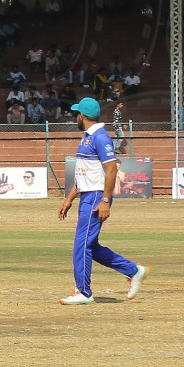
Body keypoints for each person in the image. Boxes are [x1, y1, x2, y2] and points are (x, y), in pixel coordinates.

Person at [55, 96, 149, 306]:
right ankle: (133, 271)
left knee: (82, 244)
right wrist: (69, 198)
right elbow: (83, 175)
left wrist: (105, 200)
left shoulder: (100, 137)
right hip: (87, 195)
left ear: (83, 116)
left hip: (97, 197)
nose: (75, 117)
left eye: (76, 114)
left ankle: (84, 292)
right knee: (91, 246)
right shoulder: (87, 137)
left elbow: (111, 169)